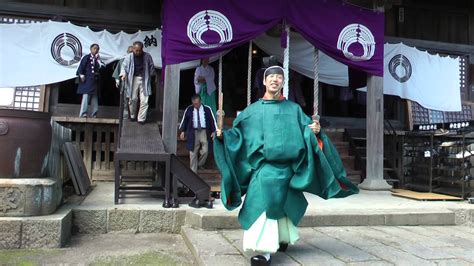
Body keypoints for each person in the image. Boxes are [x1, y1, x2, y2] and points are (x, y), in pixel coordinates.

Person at [214, 66, 359, 266]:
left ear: (283, 82)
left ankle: (281, 239)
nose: (275, 80)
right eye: (271, 77)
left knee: (285, 206)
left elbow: (307, 131)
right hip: (263, 171)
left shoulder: (294, 110)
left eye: (279, 77)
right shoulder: (251, 112)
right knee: (261, 206)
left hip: (289, 169)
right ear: (264, 82)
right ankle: (262, 250)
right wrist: (223, 137)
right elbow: (237, 136)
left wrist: (316, 131)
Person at [179, 94, 217, 173]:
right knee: (193, 151)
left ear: (200, 102)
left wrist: (214, 131)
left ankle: (200, 164)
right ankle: (193, 171)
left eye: (196, 104)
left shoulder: (207, 109)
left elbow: (212, 120)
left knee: (205, 150)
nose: (195, 105)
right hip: (193, 132)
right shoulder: (189, 109)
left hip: (204, 131)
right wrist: (183, 131)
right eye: (194, 104)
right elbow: (184, 121)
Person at [120, 41, 156, 124]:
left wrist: (152, 76)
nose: (138, 52)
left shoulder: (147, 56)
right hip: (133, 79)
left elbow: (151, 67)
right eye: (136, 50)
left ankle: (141, 118)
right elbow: (124, 66)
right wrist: (123, 74)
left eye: (139, 50)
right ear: (133, 49)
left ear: (142, 49)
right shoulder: (129, 57)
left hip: (145, 78)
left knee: (144, 100)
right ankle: (133, 115)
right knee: (133, 99)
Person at [76, 43, 105, 118]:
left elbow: (103, 67)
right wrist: (81, 74)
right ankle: (83, 114)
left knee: (94, 98)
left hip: (95, 82)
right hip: (87, 81)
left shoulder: (98, 59)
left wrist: (98, 61)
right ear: (91, 49)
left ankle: (94, 114)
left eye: (97, 49)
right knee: (86, 96)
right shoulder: (86, 57)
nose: (96, 50)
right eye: (94, 48)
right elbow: (81, 67)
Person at [112, 45, 133, 119]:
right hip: (125, 83)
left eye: (132, 52)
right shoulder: (122, 60)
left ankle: (133, 115)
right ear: (127, 52)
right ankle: (125, 115)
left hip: (134, 83)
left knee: (134, 100)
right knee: (125, 100)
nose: (131, 53)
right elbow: (117, 71)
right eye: (130, 52)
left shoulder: (137, 60)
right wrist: (117, 80)